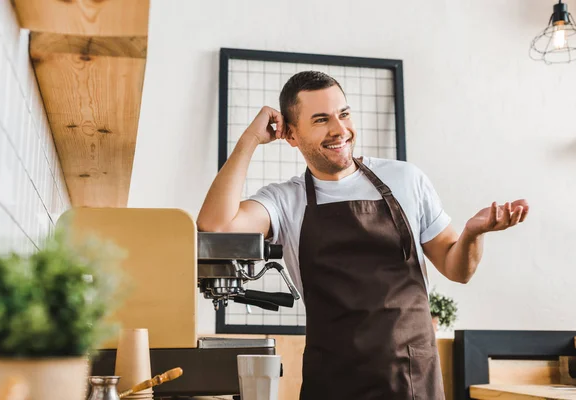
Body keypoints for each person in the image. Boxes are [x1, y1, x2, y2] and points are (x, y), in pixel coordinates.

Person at [197, 71, 528, 399]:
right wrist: (250, 139)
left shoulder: (406, 179)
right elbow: (217, 225)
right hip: (331, 383)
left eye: (343, 114)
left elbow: (459, 270)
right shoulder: (285, 200)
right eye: (321, 120)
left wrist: (472, 233)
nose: (340, 130)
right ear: (292, 135)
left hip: (411, 380)